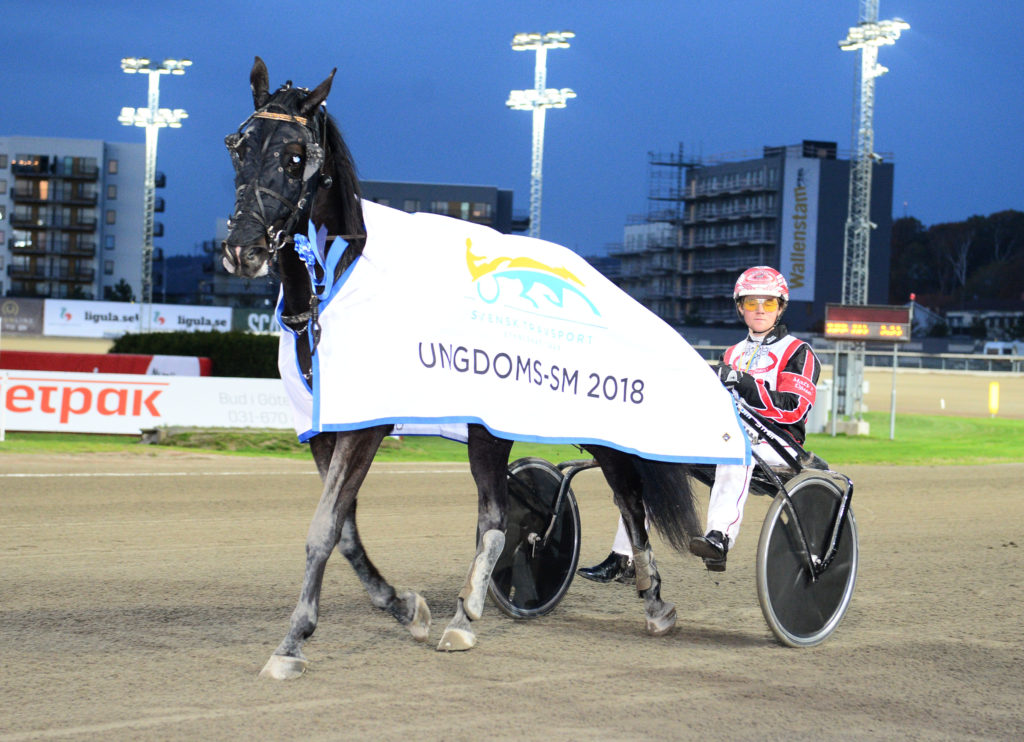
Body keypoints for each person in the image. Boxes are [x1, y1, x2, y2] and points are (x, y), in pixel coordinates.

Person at [577, 265, 821, 580]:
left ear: (781, 307)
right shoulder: (732, 353)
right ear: (740, 307)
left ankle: (719, 537)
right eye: (751, 302)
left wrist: (745, 383)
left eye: (769, 302)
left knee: (736, 446)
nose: (760, 309)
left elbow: (794, 409)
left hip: (779, 445)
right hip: (729, 438)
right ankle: (626, 557)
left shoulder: (799, 352)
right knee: (652, 459)